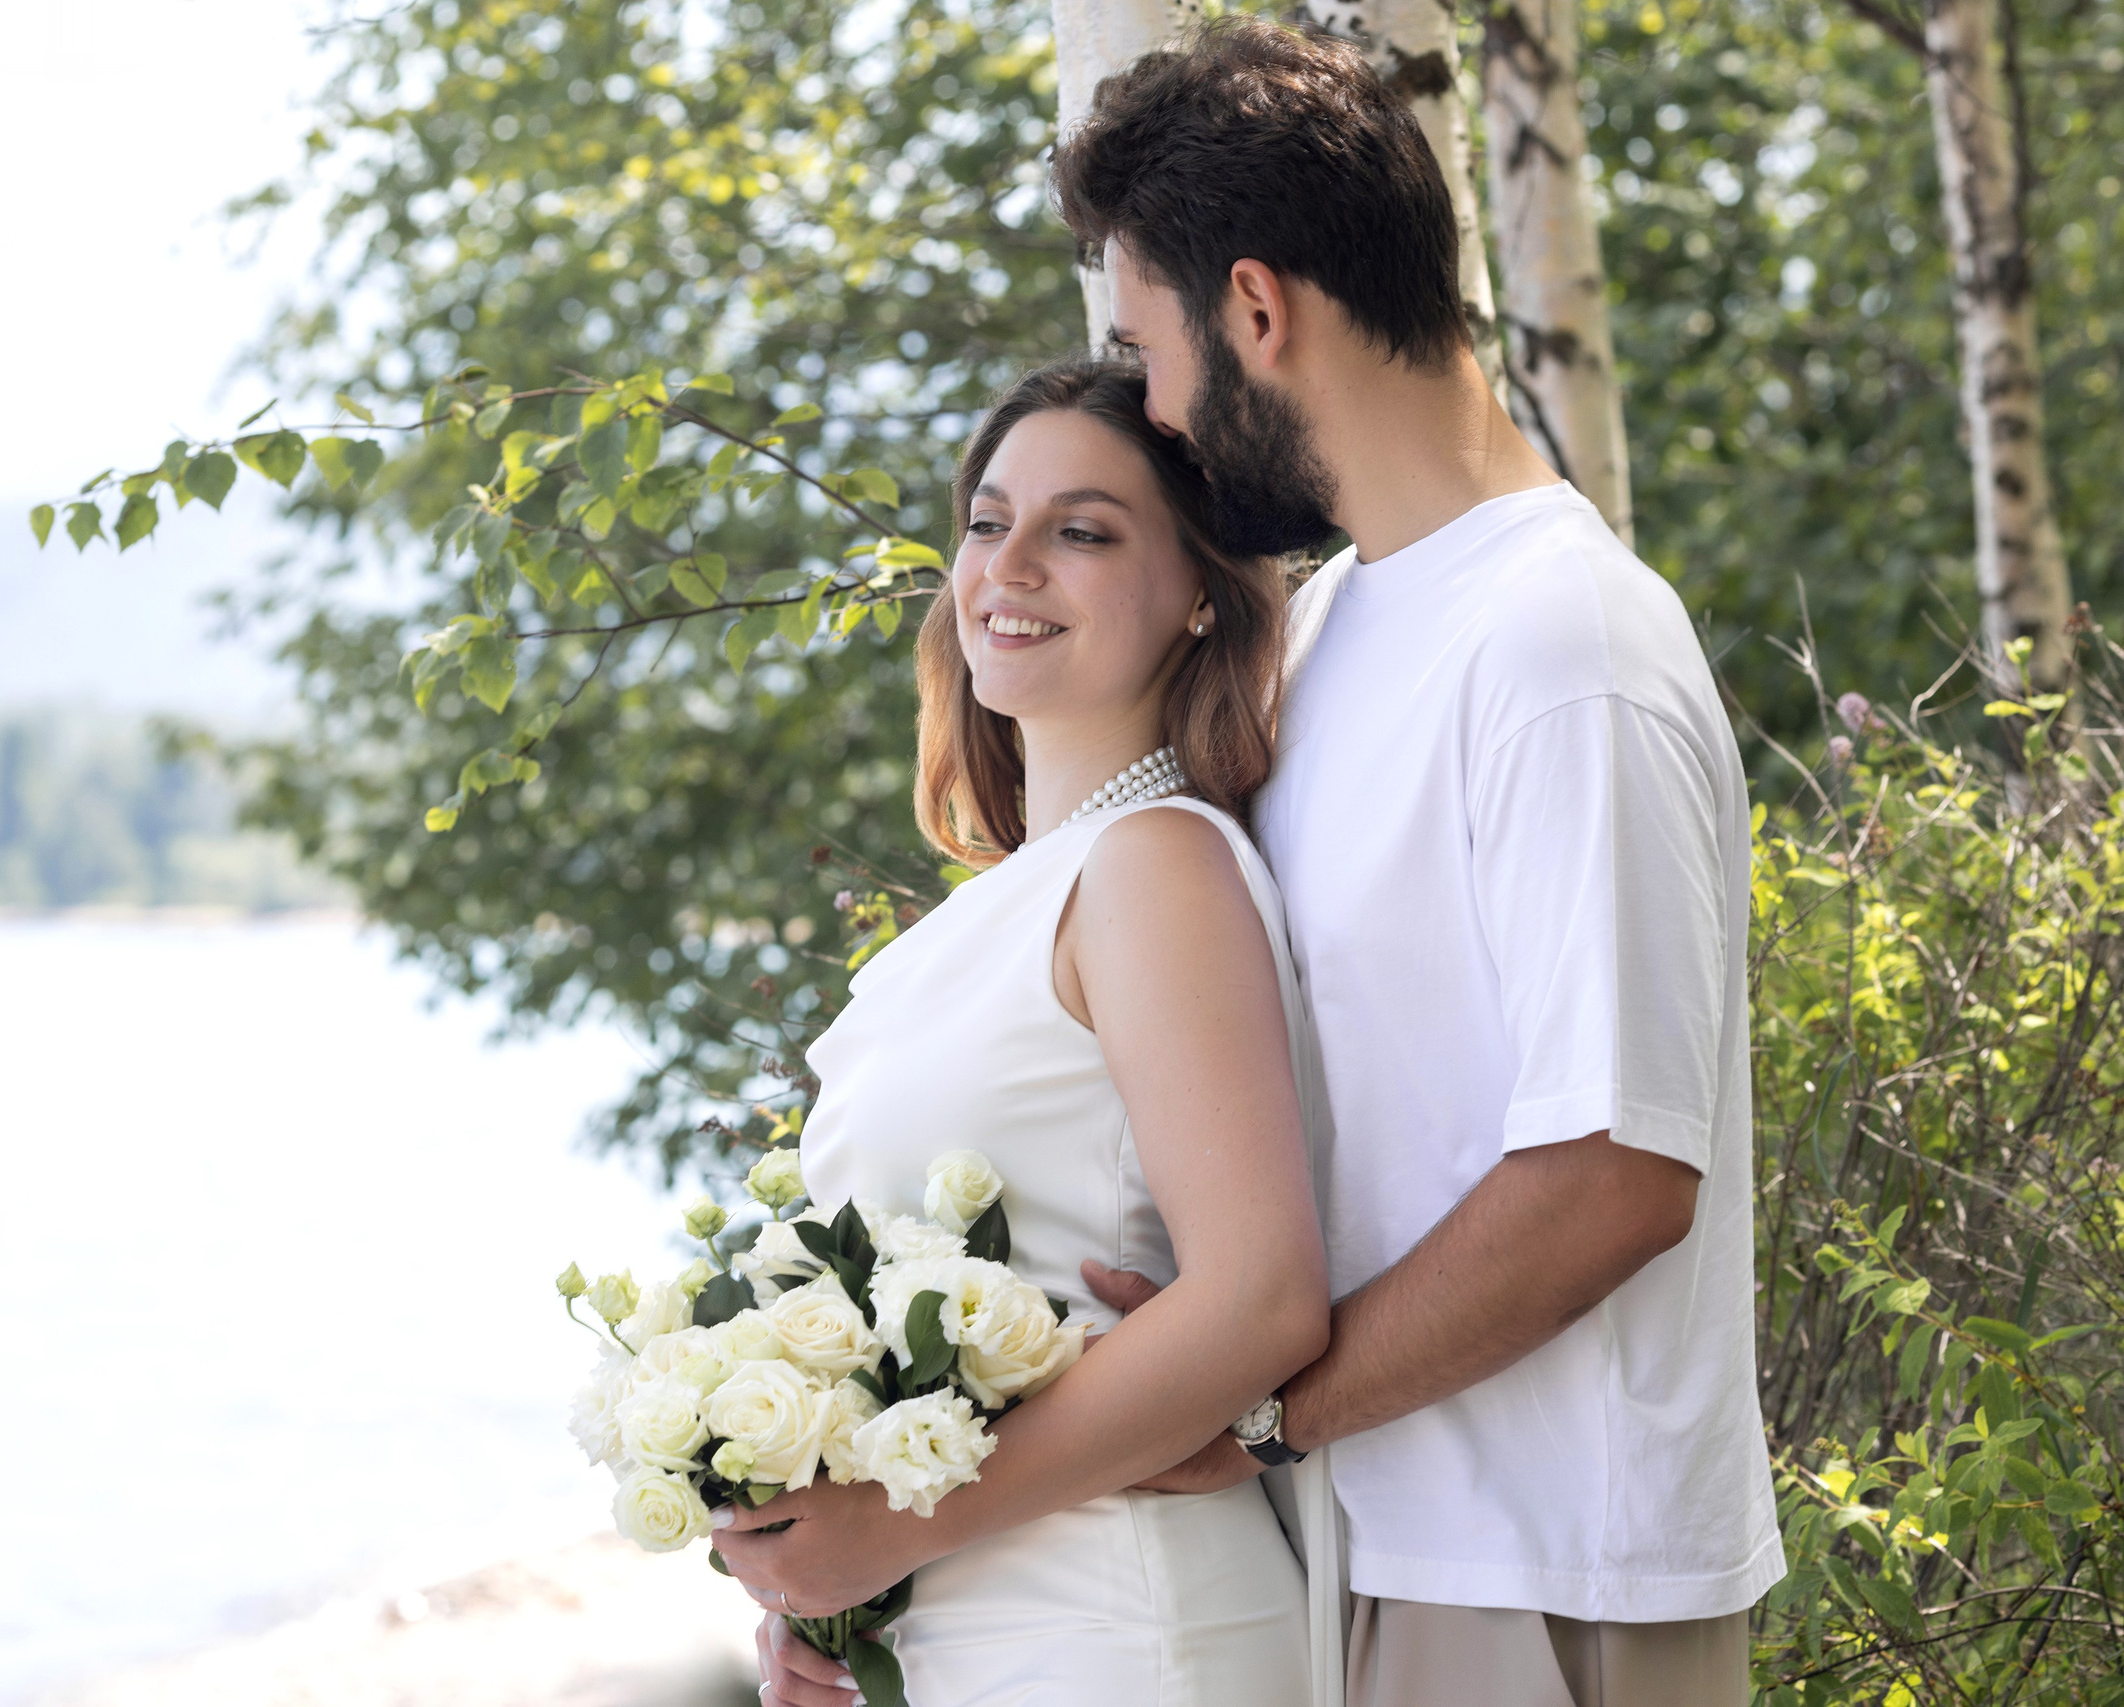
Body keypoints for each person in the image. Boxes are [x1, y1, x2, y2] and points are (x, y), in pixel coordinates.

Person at [750, 18, 1782, 1707]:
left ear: (1253, 311)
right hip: (1357, 1541)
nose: (1159, 408)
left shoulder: (1561, 639)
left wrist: (1255, 1405)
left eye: (1149, 350)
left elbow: (1615, 1175)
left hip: (1549, 1561)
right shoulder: (1362, 620)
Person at [715, 358, 1340, 1706]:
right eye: (989, 522)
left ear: (1197, 597)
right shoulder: (990, 916)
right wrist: (833, 1597)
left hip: (1128, 1629)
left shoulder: (1155, 864)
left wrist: (895, 1531)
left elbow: (1261, 1296)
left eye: (1084, 530)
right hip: (973, 1638)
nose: (1010, 567)